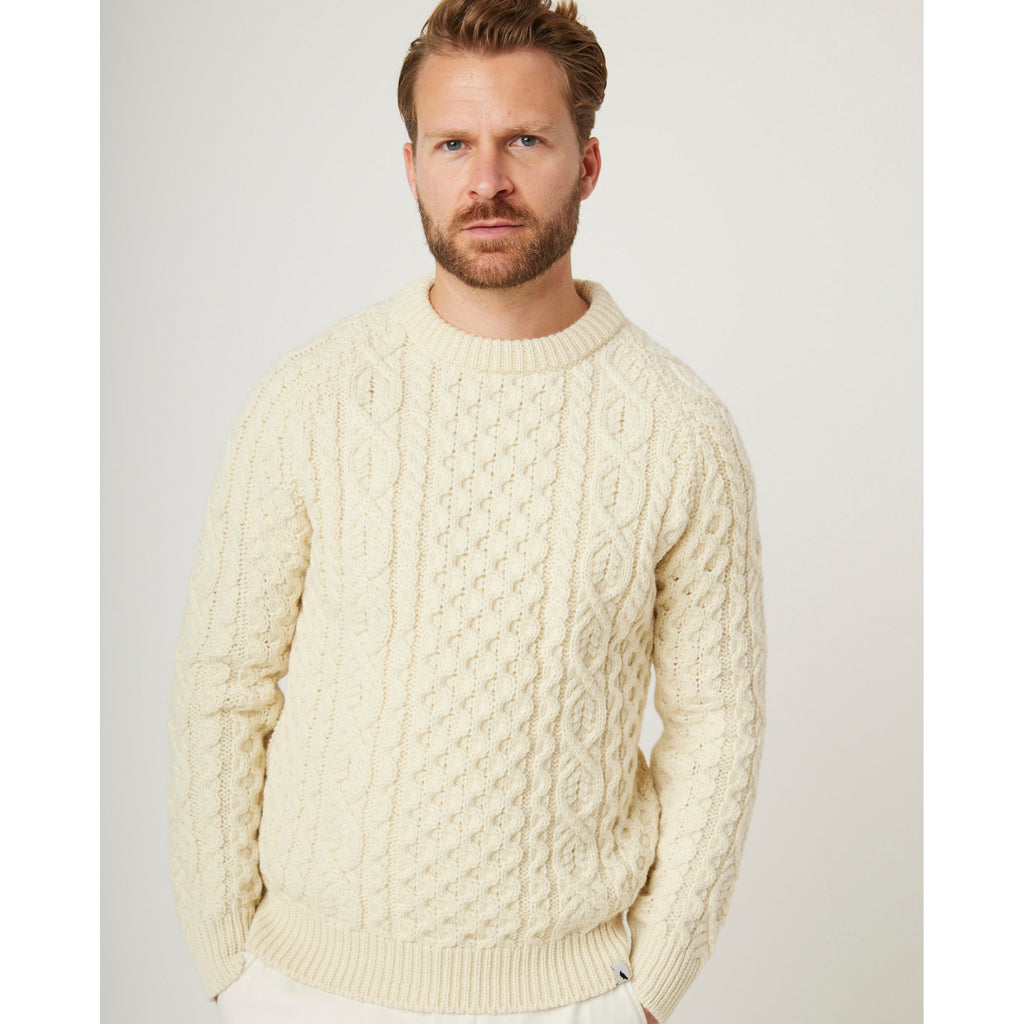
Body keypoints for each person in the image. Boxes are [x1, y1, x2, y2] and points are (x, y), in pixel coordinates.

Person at [167, 1, 767, 1022]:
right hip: (300, 989)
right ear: (412, 167)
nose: (486, 179)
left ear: (586, 163)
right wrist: (230, 965)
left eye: (524, 140)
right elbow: (224, 684)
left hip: (570, 999)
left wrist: (651, 988)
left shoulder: (680, 429)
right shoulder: (311, 398)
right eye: (454, 144)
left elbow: (717, 728)